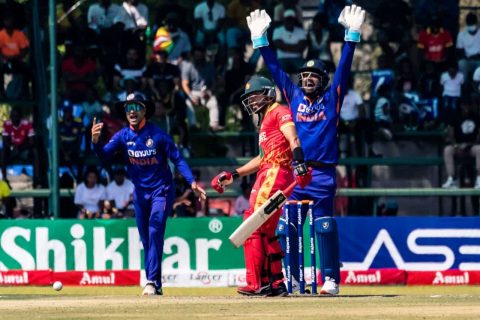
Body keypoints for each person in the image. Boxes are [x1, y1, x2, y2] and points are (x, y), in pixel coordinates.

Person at [246, 5, 365, 295]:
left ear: (323, 80)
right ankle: (292, 280)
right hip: (294, 174)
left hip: (322, 174)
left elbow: (345, 69)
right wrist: (261, 42)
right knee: (288, 229)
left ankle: (330, 279)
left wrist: (351, 37)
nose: (307, 78)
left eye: (314, 75)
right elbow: (275, 69)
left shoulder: (332, 98)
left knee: (324, 227)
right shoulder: (293, 95)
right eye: (304, 75)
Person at [91, 92, 206, 296]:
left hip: (162, 191)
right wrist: (95, 141)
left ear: (145, 110)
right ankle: (156, 284)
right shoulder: (123, 136)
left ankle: (151, 280)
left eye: (136, 107)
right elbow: (104, 156)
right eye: (128, 108)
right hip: (140, 193)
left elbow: (178, 159)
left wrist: (192, 182)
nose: (132, 111)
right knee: (146, 238)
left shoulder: (158, 135)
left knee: (154, 230)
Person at [210, 76, 312, 296]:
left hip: (275, 173)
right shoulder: (265, 120)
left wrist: (300, 161)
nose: (252, 101)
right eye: (249, 98)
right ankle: (276, 283)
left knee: (252, 223)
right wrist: (234, 174)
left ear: (268, 93)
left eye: (255, 96)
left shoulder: (279, 111)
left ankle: (257, 283)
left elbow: (293, 138)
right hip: (269, 170)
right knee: (266, 230)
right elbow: (261, 158)